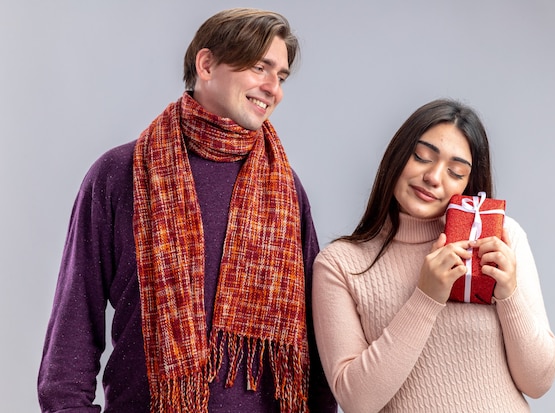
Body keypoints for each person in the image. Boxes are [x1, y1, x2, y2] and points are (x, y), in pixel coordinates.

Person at [38, 8, 337, 413]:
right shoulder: (121, 174)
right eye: (259, 67)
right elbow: (72, 331)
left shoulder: (285, 189)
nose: (273, 88)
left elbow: (314, 342)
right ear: (207, 64)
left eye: (281, 77)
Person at [312, 99, 555, 412]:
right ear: (398, 156)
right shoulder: (340, 265)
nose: (434, 177)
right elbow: (357, 401)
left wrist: (509, 295)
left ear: (469, 183)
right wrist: (426, 297)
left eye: (456, 172)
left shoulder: (502, 240)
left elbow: (539, 381)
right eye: (422, 157)